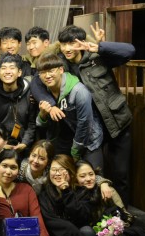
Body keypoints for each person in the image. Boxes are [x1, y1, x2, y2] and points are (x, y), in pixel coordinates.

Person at [52, 24, 135, 206]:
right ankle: (97, 214)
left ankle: (122, 215)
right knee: (93, 173)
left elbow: (129, 51)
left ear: (81, 42)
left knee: (121, 174)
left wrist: (99, 46)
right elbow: (41, 77)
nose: (67, 48)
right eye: (63, 44)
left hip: (117, 123)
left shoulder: (97, 57)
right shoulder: (61, 65)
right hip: (89, 128)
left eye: (72, 43)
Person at [34, 53, 104, 168]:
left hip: (88, 142)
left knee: (92, 175)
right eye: (43, 72)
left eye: (51, 71)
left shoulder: (79, 91)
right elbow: (41, 125)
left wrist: (76, 151)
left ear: (61, 70)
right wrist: (42, 114)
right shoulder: (45, 91)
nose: (47, 76)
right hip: (61, 142)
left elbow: (85, 124)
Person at [0, 54, 37, 151]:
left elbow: (32, 123)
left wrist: (24, 143)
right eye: (3, 68)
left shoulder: (29, 92)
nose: (7, 71)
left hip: (24, 145)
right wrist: (0, 144)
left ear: (19, 72)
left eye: (12, 68)